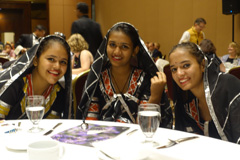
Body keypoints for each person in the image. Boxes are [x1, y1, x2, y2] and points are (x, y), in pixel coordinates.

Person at [77, 22, 173, 128]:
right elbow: (90, 123)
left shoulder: (145, 79)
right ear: (105, 46)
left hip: (137, 141)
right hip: (102, 138)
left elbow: (145, 126)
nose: (117, 52)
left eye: (124, 47)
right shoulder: (97, 79)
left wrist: (155, 97)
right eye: (112, 45)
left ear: (134, 51)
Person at [168, 42, 240, 144]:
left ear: (202, 65)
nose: (179, 73)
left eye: (186, 65)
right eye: (174, 69)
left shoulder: (228, 86)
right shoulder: (186, 102)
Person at [0, 35, 72, 120]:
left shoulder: (58, 93)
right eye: (51, 59)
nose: (57, 66)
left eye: (63, 62)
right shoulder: (13, 85)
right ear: (35, 60)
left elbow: (50, 127)